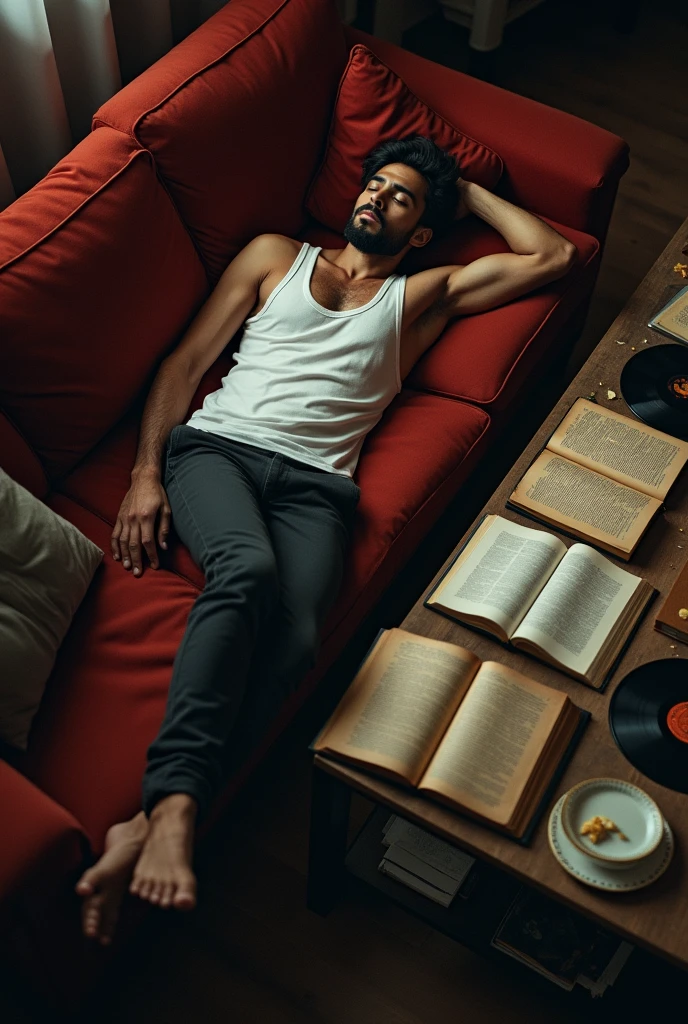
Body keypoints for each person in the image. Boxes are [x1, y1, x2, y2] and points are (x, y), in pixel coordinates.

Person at [74, 135, 576, 946]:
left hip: (318, 489)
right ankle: (174, 811)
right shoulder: (277, 256)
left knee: (298, 636)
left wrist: (467, 192)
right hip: (219, 454)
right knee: (246, 572)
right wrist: (145, 474)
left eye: (402, 197)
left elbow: (551, 254)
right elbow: (186, 359)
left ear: (421, 232)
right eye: (375, 183)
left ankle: (151, 820)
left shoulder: (421, 295)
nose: (377, 197)